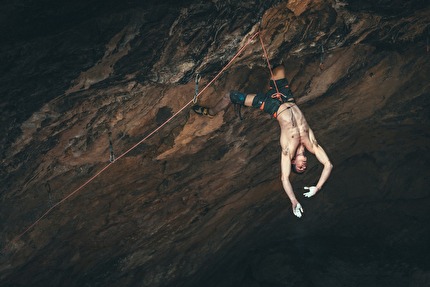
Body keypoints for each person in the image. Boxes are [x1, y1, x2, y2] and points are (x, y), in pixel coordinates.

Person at [192, 64, 333, 218]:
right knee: (278, 68)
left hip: (272, 105)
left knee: (231, 96)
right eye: (304, 168)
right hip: (287, 98)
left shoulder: (287, 150)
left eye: (300, 168)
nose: (303, 166)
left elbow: (284, 178)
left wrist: (293, 200)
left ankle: (211, 112)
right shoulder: (312, 143)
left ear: (293, 163)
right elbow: (328, 164)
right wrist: (318, 188)